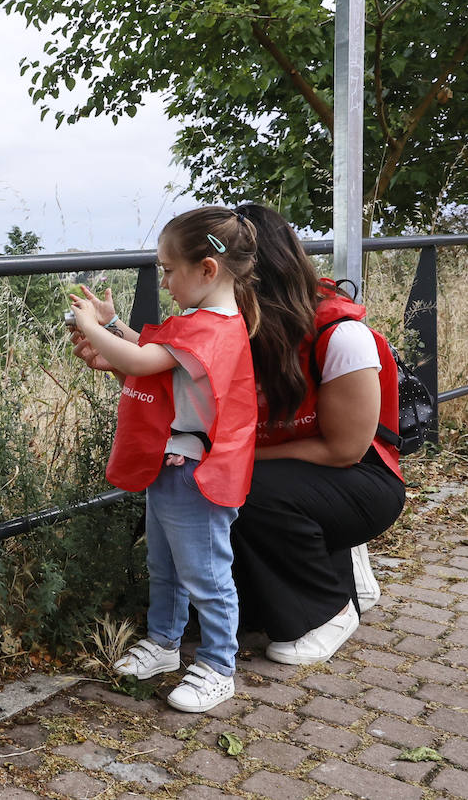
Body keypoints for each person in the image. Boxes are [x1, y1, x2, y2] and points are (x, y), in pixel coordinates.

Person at [72, 202, 406, 668]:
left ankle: (327, 609)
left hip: (357, 476)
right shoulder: (236, 326)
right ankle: (250, 603)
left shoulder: (341, 335)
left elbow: (345, 449)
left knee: (238, 491)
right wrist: (112, 340)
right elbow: (167, 376)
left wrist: (235, 459)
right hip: (284, 465)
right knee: (212, 495)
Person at [68, 206, 259, 713]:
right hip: (173, 466)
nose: (165, 280)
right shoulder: (201, 321)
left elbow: (140, 361)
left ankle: (219, 665)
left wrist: (91, 327)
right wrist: (113, 326)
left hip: (197, 473)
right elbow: (155, 350)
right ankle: (164, 643)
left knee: (206, 574)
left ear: (207, 269)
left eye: (169, 269)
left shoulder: (213, 329)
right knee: (166, 565)